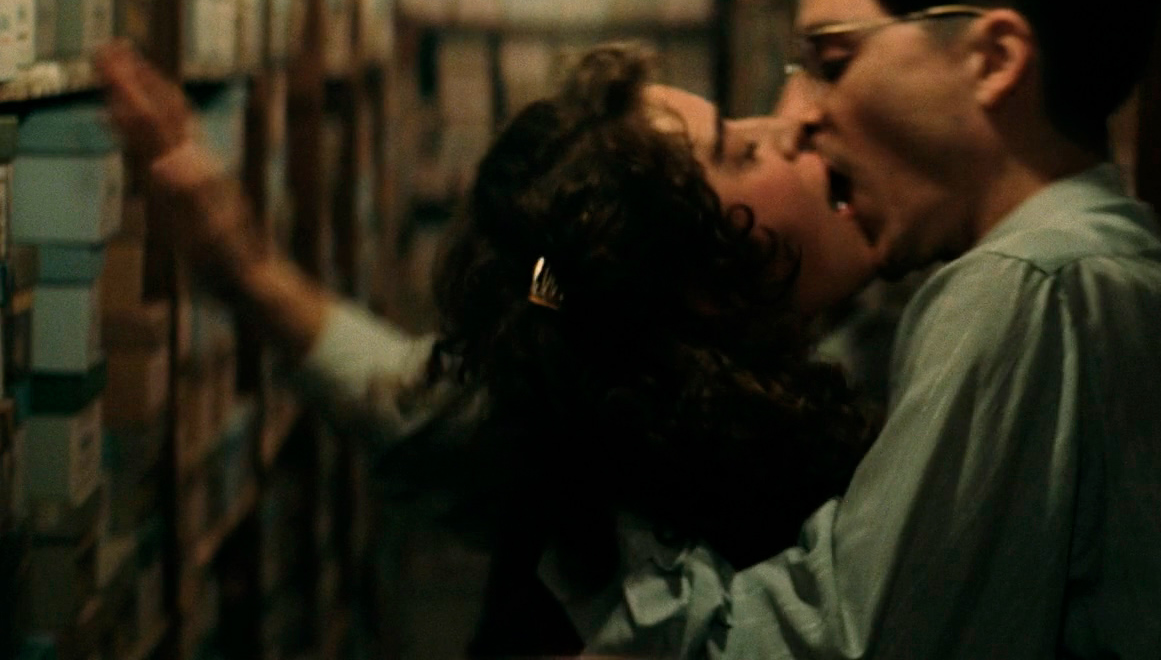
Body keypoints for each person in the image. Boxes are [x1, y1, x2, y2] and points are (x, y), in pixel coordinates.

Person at [549, 0, 1161, 657]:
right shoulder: (1101, 262)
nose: (800, 117)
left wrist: (596, 552)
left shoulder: (1027, 288)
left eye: (833, 61)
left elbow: (851, 643)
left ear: (994, 59)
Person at [95, 41, 887, 656]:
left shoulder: (585, 401)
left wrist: (245, 266)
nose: (787, 127)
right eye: (739, 151)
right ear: (694, 280)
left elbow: (415, 399)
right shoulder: (738, 485)